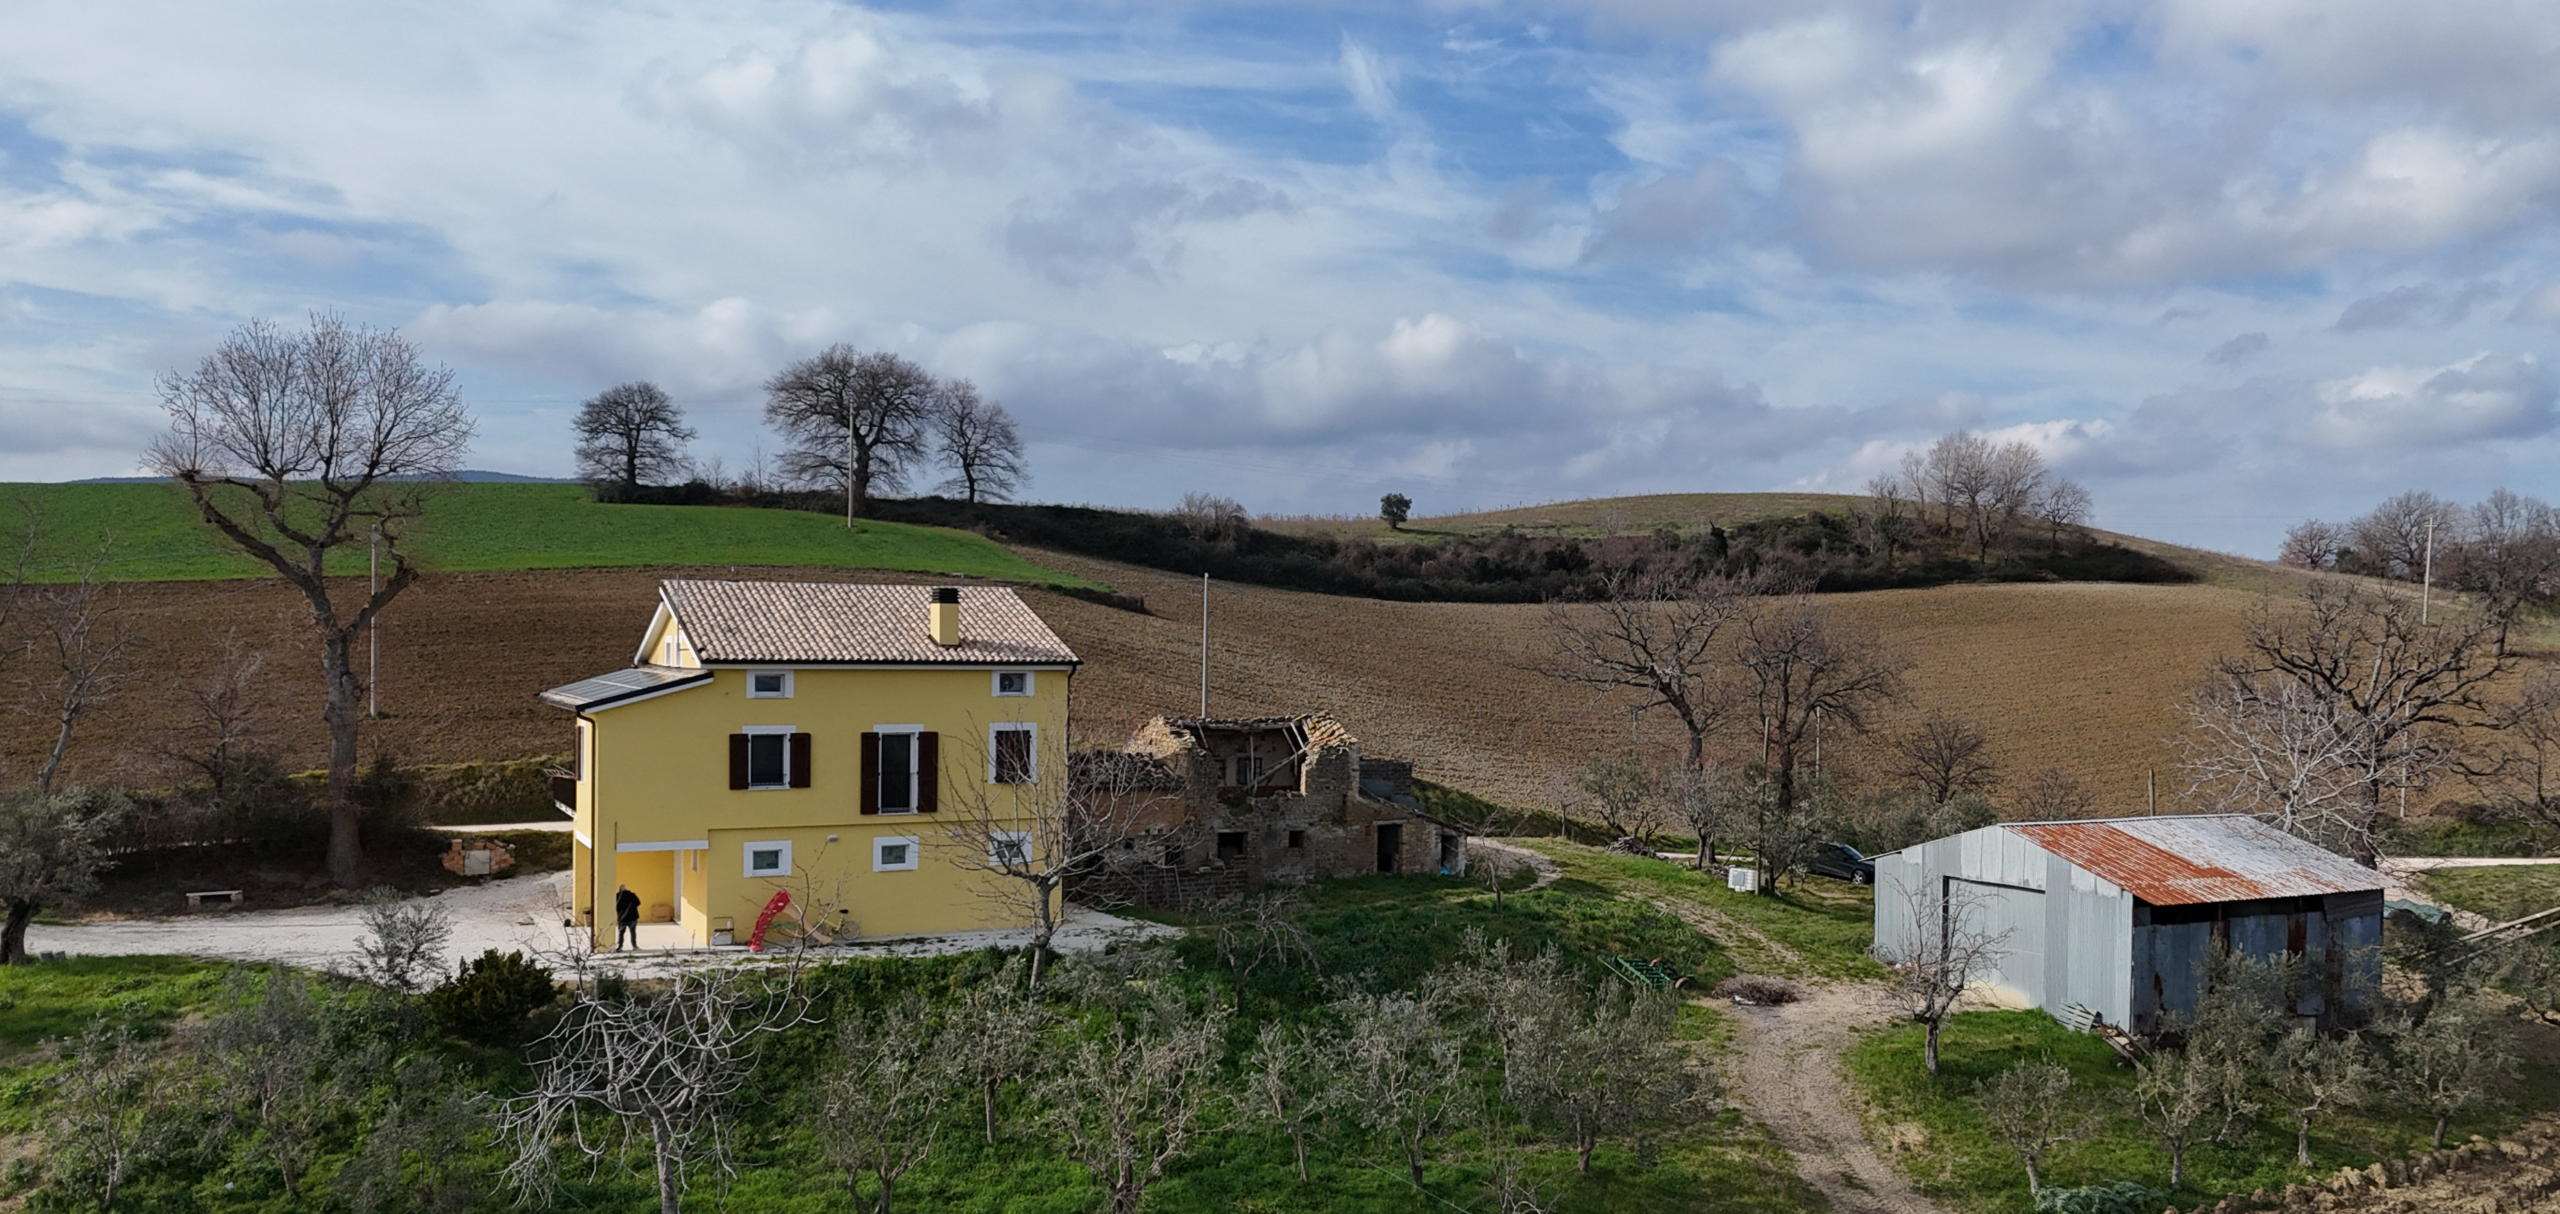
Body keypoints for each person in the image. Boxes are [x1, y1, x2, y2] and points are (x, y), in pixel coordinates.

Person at [614, 883, 641, 950]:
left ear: (619, 890)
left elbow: (615, 906)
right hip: (633, 917)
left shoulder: (617, 896)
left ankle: (620, 946)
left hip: (622, 917)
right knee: (633, 932)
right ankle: (634, 946)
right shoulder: (632, 895)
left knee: (621, 933)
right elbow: (638, 903)